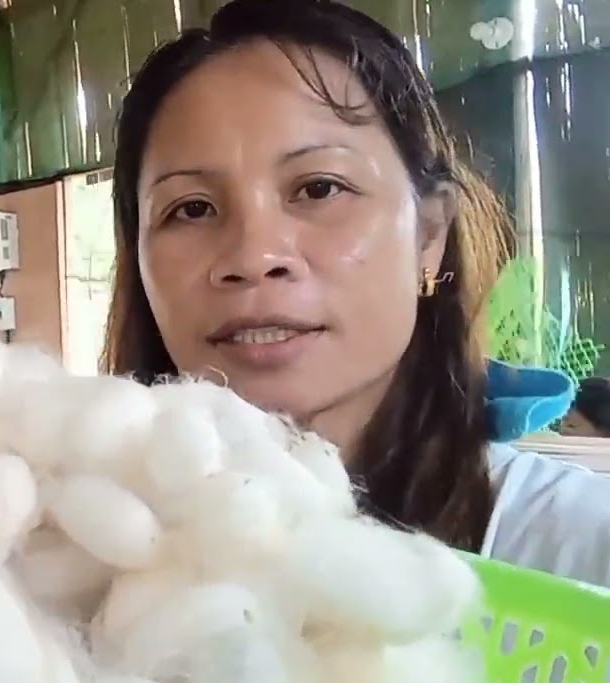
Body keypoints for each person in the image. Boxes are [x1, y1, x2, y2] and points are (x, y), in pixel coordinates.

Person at [105, 0, 610, 586]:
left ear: (429, 235)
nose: (253, 257)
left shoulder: (579, 548)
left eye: (319, 188)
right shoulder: (62, 563)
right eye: (192, 208)